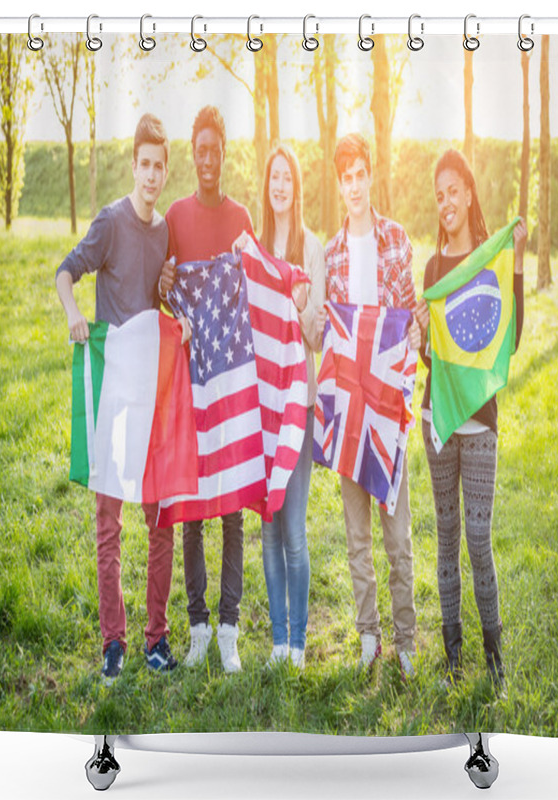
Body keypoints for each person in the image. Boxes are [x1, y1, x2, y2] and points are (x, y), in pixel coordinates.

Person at [55, 113, 189, 684]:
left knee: (161, 519)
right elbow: (66, 272)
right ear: (133, 164)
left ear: (165, 170)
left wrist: (171, 309)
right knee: (108, 521)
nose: (153, 175)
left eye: (161, 166)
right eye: (145, 164)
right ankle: (114, 640)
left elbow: (161, 295)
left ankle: (156, 639)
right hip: (113, 391)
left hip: (153, 393)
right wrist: (74, 313)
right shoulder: (111, 222)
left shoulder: (164, 231)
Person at [414, 149, 527, 694]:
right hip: (439, 424)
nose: (446, 201)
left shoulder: (487, 263)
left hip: (480, 426)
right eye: (439, 195)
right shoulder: (433, 271)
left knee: (478, 541)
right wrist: (419, 337)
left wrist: (520, 264)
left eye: (453, 190)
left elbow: (511, 339)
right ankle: (453, 656)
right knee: (447, 541)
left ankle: (494, 654)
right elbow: (432, 361)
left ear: (470, 193)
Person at [317, 133, 422, 677]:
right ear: (338, 185)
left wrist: (413, 355)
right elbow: (325, 336)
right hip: (347, 413)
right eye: (346, 178)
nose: (354, 186)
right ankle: (368, 635)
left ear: (371, 176)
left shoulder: (397, 240)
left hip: (387, 414)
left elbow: (409, 322)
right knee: (357, 535)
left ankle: (406, 638)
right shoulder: (330, 254)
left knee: (396, 534)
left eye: (360, 175)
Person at [159, 105, 254, 674]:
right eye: (200, 149)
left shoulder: (242, 218)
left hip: (234, 382)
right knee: (193, 509)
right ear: (192, 154)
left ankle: (229, 629)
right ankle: (195, 628)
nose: (208, 159)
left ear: (224, 153)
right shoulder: (174, 216)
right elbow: (160, 290)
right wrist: (164, 281)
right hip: (190, 384)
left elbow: (259, 287)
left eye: (216, 149)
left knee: (234, 510)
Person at [235, 144, 323, 670]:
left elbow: (316, 333)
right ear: (267, 187)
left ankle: (299, 642)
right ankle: (275, 643)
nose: (281, 185)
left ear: (298, 186)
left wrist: (299, 305)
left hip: (299, 402)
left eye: (288, 177)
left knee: (293, 527)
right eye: (274, 177)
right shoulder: (257, 247)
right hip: (260, 406)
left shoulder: (310, 249)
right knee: (267, 526)